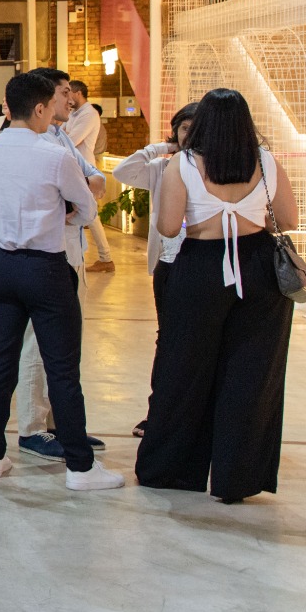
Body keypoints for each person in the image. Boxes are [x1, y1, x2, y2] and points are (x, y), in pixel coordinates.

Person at [138, 89, 297, 503]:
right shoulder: (265, 160)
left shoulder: (184, 164)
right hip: (260, 269)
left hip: (201, 269)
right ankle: (237, 478)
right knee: (252, 373)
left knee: (184, 368)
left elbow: (170, 227)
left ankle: (171, 470)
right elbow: (290, 219)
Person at [0, 72, 123, 491]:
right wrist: (66, 213)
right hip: (47, 267)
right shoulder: (55, 156)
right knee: (62, 369)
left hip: (1, 266)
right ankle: (80, 467)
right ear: (40, 109)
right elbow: (88, 208)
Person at [14, 67, 108, 460]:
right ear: (44, 100)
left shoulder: (59, 137)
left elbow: (94, 179)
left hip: (72, 242)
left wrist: (82, 193)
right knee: (39, 339)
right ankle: (33, 428)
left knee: (65, 340)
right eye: (64, 92)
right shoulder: (32, 143)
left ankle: (61, 423)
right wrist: (77, 197)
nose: (71, 100)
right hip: (49, 246)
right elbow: (58, 196)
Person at [114, 102, 197, 437]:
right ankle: (158, 414)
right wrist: (163, 147)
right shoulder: (164, 167)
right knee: (167, 339)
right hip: (170, 261)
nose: (189, 135)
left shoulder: (217, 169)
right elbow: (123, 172)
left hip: (204, 260)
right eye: (184, 128)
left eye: (195, 128)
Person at [65, 80, 115, 273]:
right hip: (75, 167)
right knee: (87, 215)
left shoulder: (89, 114)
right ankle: (105, 257)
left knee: (90, 214)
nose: (67, 98)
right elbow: (63, 135)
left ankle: (106, 258)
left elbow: (70, 140)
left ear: (77, 93)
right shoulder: (74, 114)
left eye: (69, 93)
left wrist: (66, 133)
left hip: (85, 169)